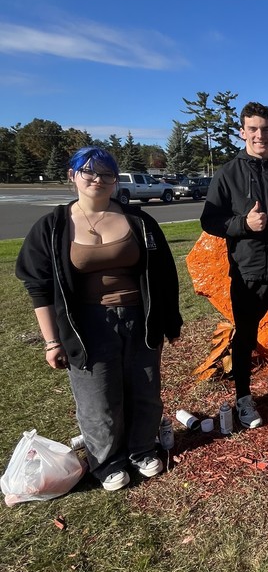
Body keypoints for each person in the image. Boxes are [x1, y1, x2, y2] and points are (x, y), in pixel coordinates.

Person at [16, 147, 182, 491]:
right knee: (98, 398)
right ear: (72, 175)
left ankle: (142, 448)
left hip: (140, 318)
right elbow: (39, 287)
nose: (98, 179)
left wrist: (170, 319)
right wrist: (52, 341)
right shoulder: (53, 226)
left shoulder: (138, 221)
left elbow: (164, 273)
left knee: (144, 389)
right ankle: (107, 461)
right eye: (88, 172)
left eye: (107, 173)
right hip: (86, 324)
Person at [201, 101, 268, 429]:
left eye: (265, 129)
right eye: (253, 129)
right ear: (242, 132)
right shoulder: (228, 174)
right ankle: (244, 397)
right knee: (245, 337)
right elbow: (210, 220)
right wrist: (244, 225)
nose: (259, 135)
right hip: (248, 274)